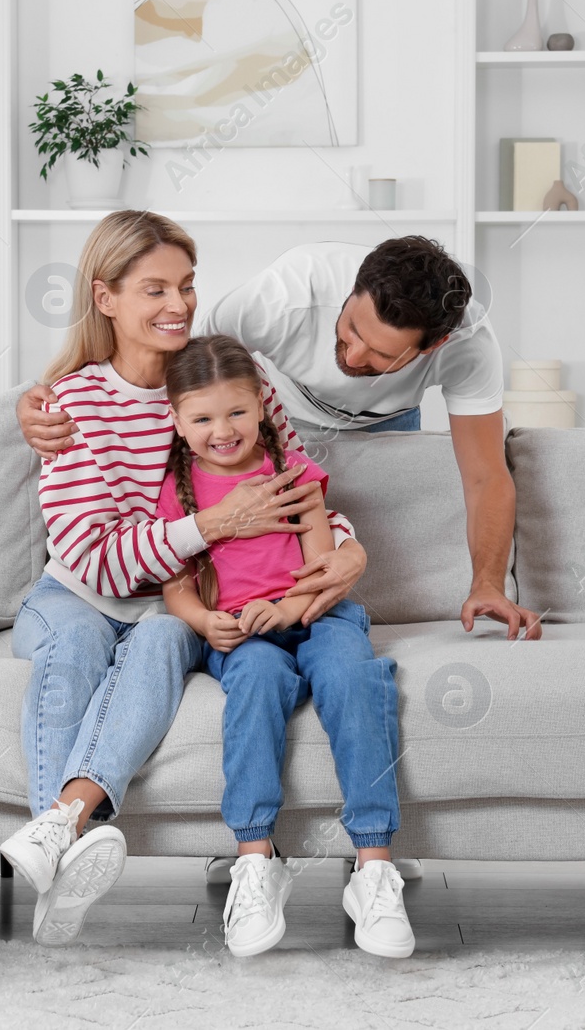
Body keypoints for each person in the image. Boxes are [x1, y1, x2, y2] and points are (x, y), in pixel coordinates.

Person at [0, 211, 364, 946]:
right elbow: (95, 557)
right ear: (105, 298)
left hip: (165, 606)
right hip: (76, 594)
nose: (179, 304)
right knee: (72, 653)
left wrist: (348, 549)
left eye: (188, 287)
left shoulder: (221, 382)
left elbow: (292, 488)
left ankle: (59, 834)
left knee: (163, 636)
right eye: (154, 289)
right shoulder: (73, 403)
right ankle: (61, 838)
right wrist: (217, 525)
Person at [18, 236, 543, 643]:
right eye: (350, 330)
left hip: (385, 418)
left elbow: (485, 476)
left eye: (382, 356)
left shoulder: (469, 349)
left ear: (437, 346)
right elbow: (193, 387)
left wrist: (488, 583)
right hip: (275, 413)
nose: (355, 357)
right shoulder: (283, 296)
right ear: (348, 292)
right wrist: (48, 395)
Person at [156, 335, 413, 959]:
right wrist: (202, 621)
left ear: (262, 407)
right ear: (178, 420)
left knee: (353, 678)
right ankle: (254, 863)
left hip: (317, 614)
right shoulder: (179, 489)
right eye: (204, 417)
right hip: (245, 631)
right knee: (259, 683)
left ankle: (374, 870)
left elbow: (323, 567)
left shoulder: (293, 476)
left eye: (237, 412)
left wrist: (289, 608)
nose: (223, 429)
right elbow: (177, 586)